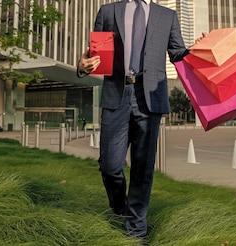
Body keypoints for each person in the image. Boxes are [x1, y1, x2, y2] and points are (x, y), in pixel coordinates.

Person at [77, 0, 201, 239]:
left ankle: (136, 229)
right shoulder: (109, 11)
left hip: (150, 97)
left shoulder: (167, 16)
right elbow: (95, 56)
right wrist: (83, 67)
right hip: (117, 95)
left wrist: (198, 50)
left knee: (143, 168)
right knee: (110, 166)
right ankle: (120, 209)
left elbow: (178, 53)